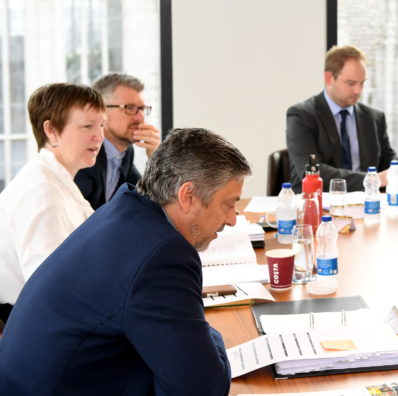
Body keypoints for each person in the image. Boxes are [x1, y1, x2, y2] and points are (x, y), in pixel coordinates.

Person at [0, 128, 250, 395]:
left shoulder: (124, 209)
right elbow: (203, 387)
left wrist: (197, 334)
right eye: (228, 204)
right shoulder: (163, 256)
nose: (232, 219)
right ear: (188, 196)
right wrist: (212, 337)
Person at [0, 83, 104, 323]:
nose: (99, 136)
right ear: (52, 131)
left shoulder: (58, 180)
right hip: (26, 323)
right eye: (87, 126)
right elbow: (47, 288)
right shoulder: (42, 189)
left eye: (101, 125)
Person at [286, 44, 398, 190]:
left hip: (366, 207)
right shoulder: (301, 116)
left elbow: (391, 169)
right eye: (351, 83)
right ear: (329, 78)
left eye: (362, 83)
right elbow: (313, 174)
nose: (358, 91)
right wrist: (373, 179)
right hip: (317, 206)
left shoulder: (374, 118)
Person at [75, 73, 161, 209]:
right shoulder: (83, 152)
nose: (140, 117)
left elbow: (145, 200)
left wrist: (155, 159)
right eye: (130, 108)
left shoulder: (125, 151)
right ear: (101, 110)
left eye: (142, 109)